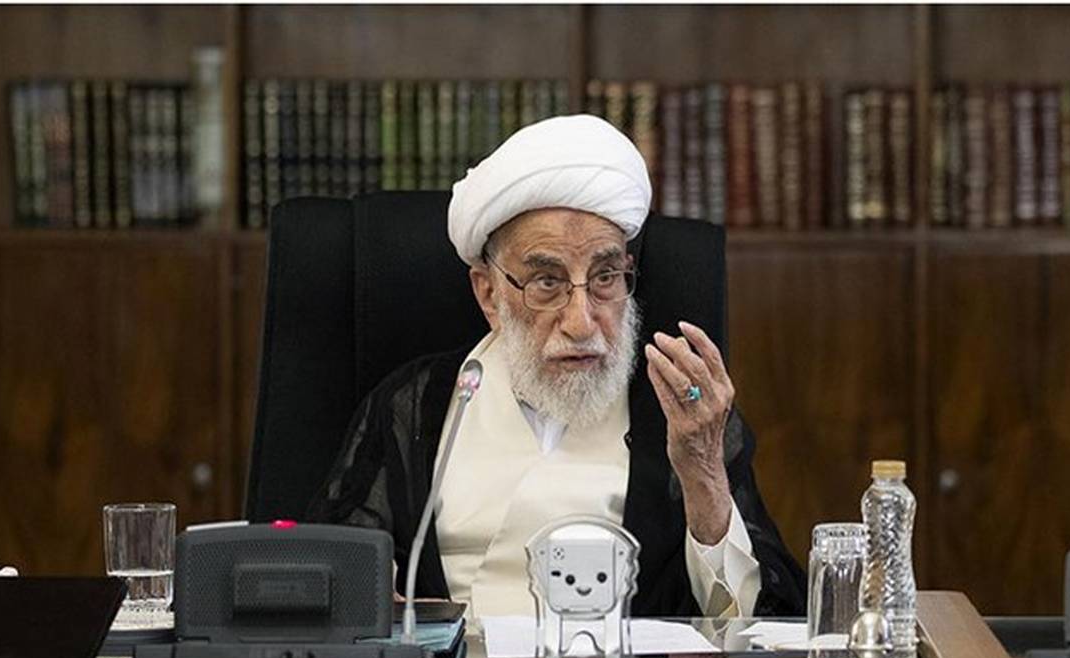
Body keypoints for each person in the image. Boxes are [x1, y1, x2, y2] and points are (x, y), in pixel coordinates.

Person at [308, 114, 805, 621]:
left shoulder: (680, 410)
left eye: (605, 277)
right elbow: (330, 575)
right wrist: (368, 597)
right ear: (489, 293)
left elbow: (764, 618)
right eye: (547, 282)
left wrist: (703, 477)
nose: (581, 322)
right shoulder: (416, 404)